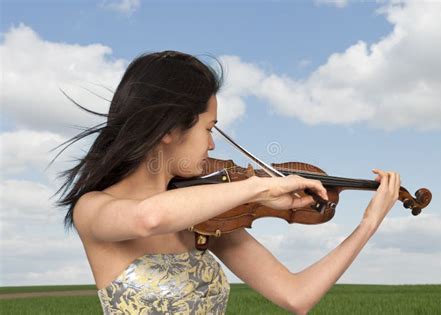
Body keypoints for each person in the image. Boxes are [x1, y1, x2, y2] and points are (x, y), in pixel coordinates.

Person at [53, 50, 400, 315]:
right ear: (170, 129)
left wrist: (367, 225)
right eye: (208, 128)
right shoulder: (94, 209)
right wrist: (261, 186)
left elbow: (296, 296)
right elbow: (149, 218)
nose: (212, 144)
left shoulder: (206, 217)